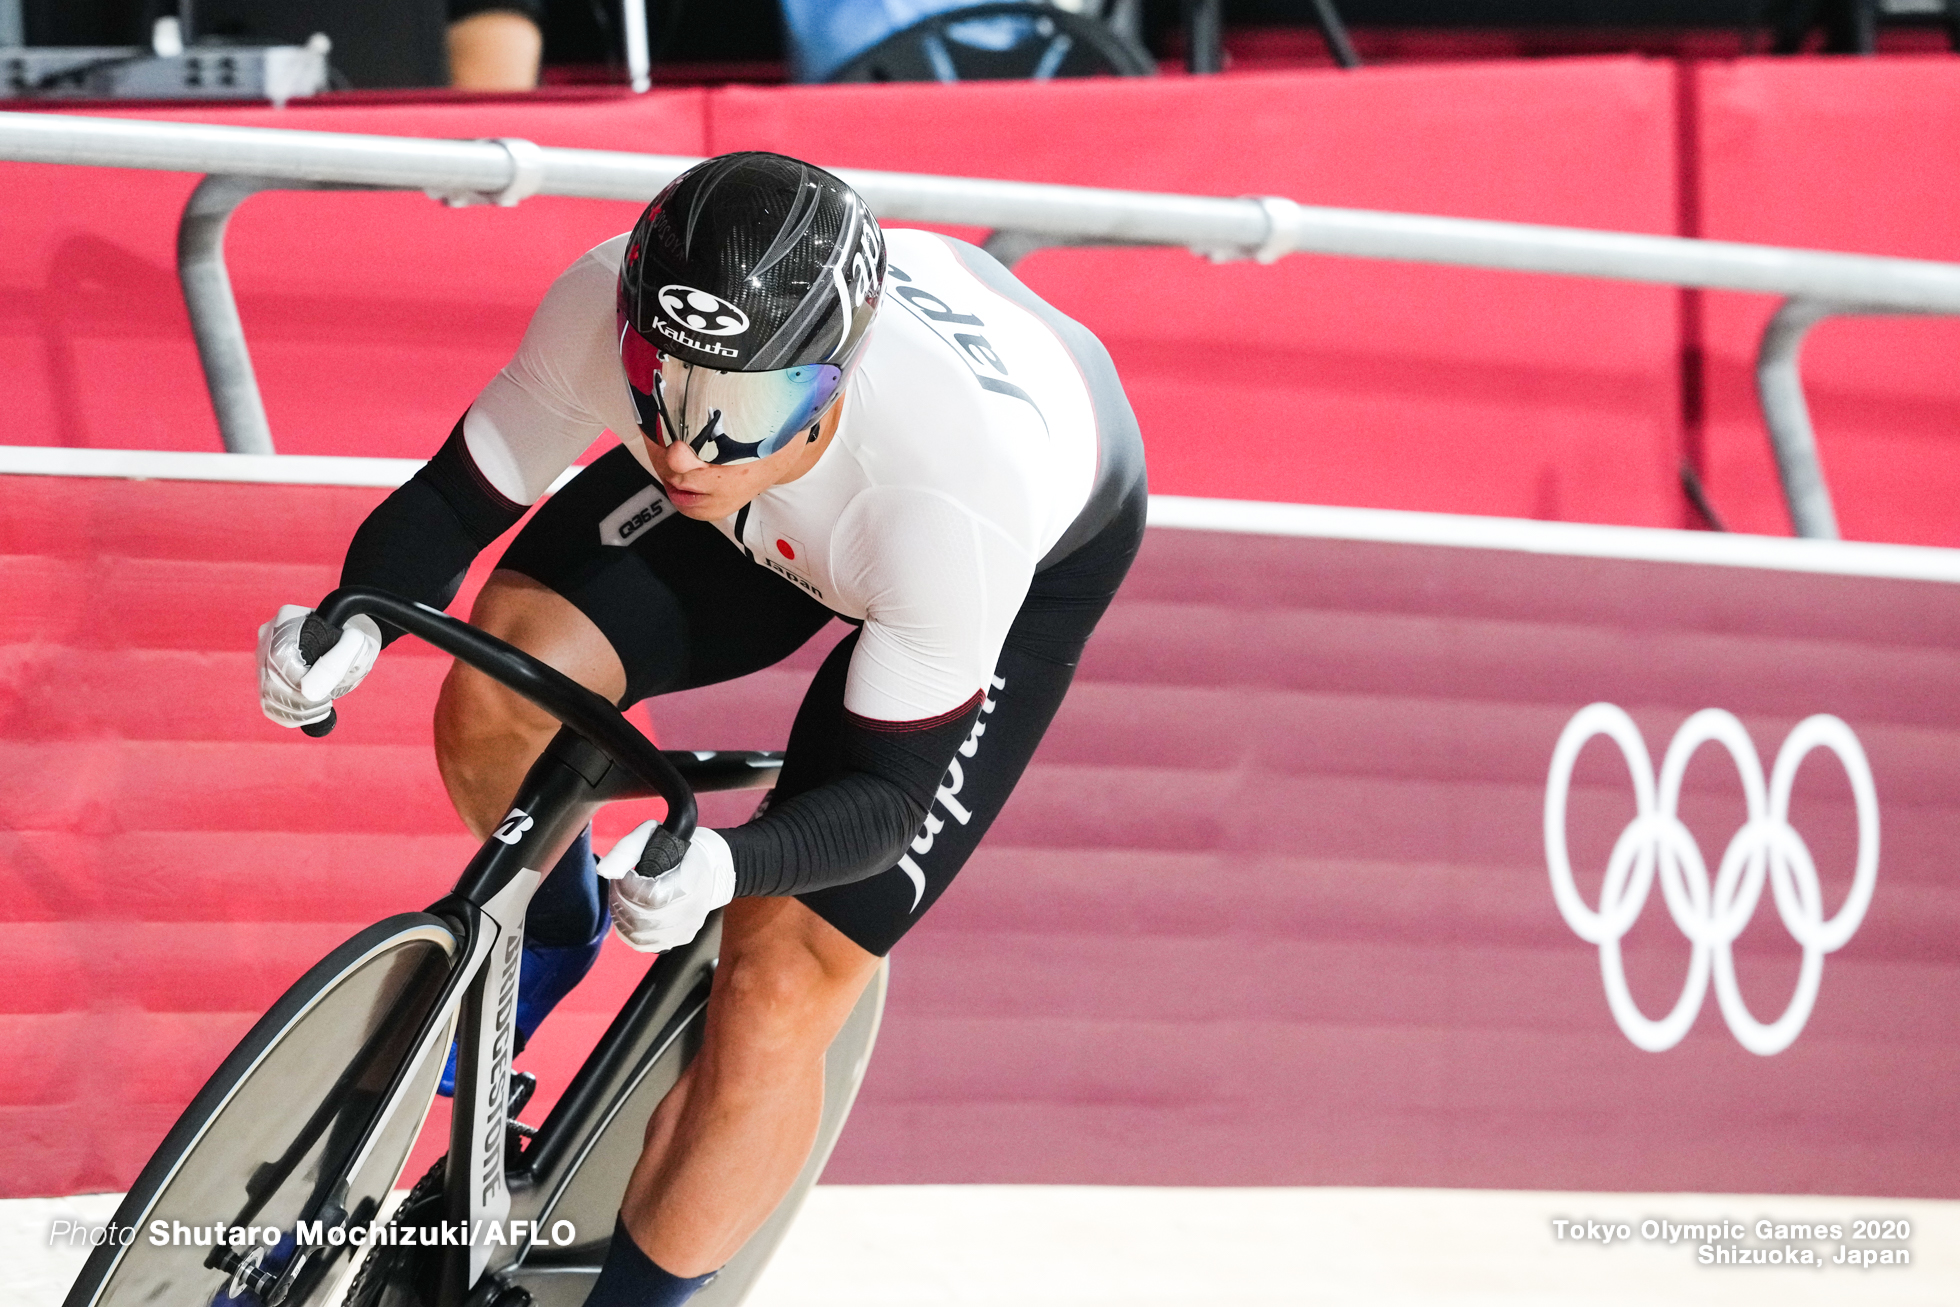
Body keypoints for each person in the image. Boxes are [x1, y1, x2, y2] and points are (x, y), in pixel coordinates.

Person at [257, 151, 1145, 1306]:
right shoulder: (632, 335)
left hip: (992, 528)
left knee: (784, 976)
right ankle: (557, 932)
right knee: (502, 686)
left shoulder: (950, 506)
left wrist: (729, 861)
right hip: (806, 485)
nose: (683, 446)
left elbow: (884, 801)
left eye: (734, 414)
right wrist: (357, 621)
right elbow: (453, 499)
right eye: (656, 386)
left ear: (830, 378)